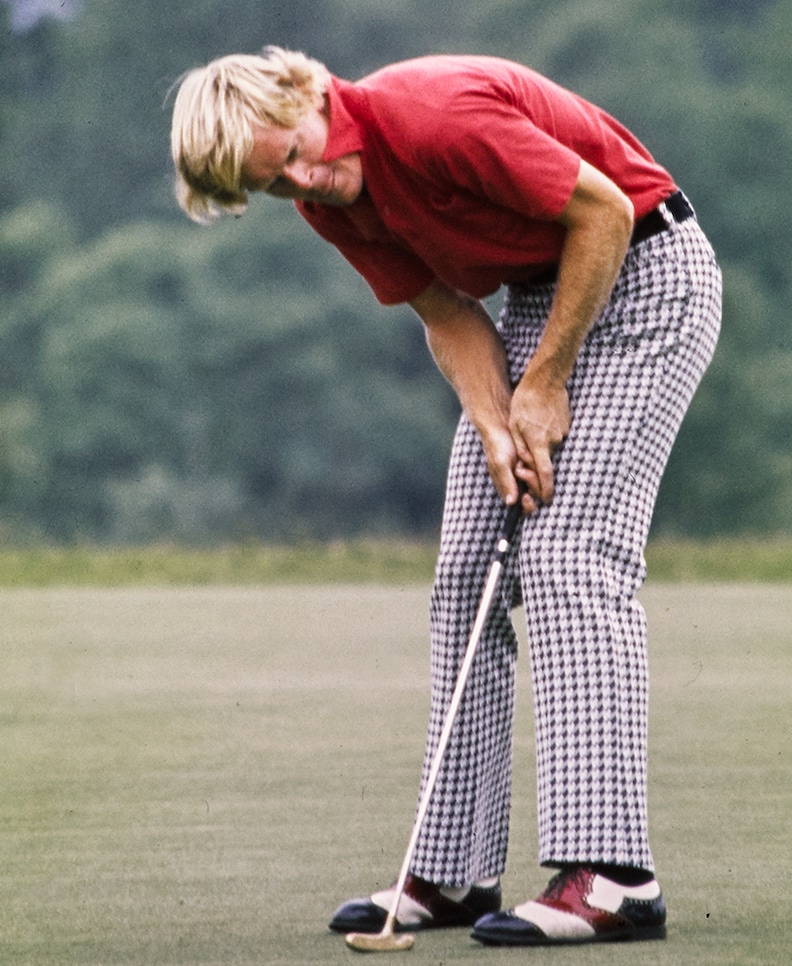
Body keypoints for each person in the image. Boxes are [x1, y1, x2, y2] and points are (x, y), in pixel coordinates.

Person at [170, 46, 721, 947]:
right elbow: (448, 314)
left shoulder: (429, 117)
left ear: (308, 94)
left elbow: (604, 213)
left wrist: (544, 381)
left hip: (648, 273)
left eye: (299, 154)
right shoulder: (328, 204)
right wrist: (499, 419)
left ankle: (617, 877)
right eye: (280, 187)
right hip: (542, 301)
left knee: (568, 558)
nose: (310, 182)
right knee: (468, 571)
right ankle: (456, 870)